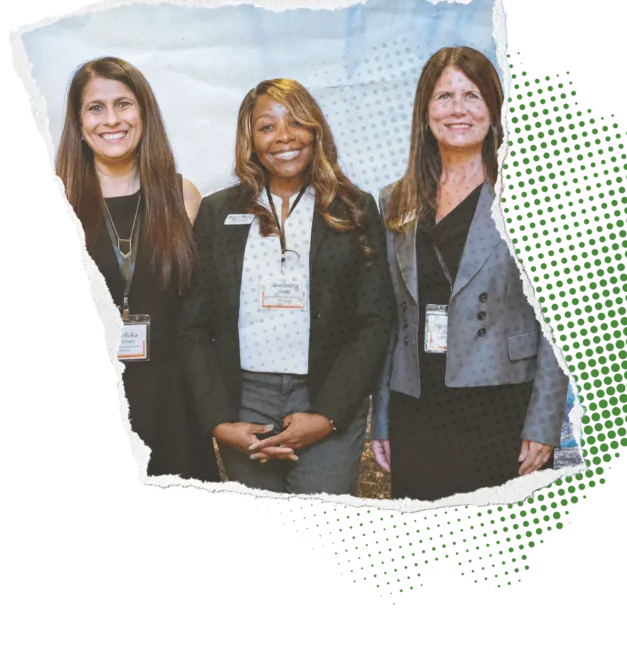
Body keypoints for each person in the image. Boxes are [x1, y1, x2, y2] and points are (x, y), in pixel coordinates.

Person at [370, 46, 569, 501]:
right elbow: (389, 317)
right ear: (424, 113)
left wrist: (544, 423)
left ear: (494, 109)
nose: (457, 109)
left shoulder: (532, 196)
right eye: (443, 97)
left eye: (472, 95)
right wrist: (381, 416)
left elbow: (560, 325)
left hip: (503, 403)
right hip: (416, 403)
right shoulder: (395, 200)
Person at [177, 78, 394, 496]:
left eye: (295, 121)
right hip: (245, 401)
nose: (284, 136)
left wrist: (328, 414)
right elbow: (192, 325)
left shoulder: (355, 208)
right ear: (251, 139)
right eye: (267, 126)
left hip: (325, 395)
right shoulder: (218, 212)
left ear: (315, 130)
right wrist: (221, 422)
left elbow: (374, 320)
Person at [56, 56, 218, 480]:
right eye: (96, 107)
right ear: (78, 120)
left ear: (144, 112)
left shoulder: (182, 196)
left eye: (123, 104)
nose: (111, 119)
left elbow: (198, 316)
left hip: (173, 402)